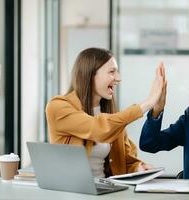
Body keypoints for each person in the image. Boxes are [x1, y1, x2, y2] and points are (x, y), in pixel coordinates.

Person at [46, 47, 164, 178]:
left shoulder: (112, 115)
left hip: (106, 192)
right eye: (112, 72)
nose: (118, 78)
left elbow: (125, 160)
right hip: (73, 194)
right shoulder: (58, 107)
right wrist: (148, 103)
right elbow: (99, 129)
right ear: (90, 75)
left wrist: (137, 168)